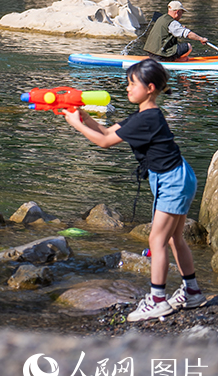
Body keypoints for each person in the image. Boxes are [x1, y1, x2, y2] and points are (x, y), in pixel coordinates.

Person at [62, 59, 204, 321]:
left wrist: (76, 124)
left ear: (150, 88)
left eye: (132, 84)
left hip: (173, 180)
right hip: (179, 177)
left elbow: (104, 142)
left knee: (157, 240)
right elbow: (106, 130)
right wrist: (83, 116)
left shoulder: (146, 119)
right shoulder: (144, 116)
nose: (127, 88)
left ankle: (158, 300)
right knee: (174, 239)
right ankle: (192, 291)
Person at [142, 0, 208, 62]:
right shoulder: (172, 23)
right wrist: (201, 39)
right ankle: (178, 60)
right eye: (181, 13)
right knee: (188, 46)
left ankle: (177, 58)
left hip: (152, 54)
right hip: (160, 56)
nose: (181, 16)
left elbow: (169, 30)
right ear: (177, 12)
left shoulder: (162, 18)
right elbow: (188, 34)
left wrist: (180, 28)